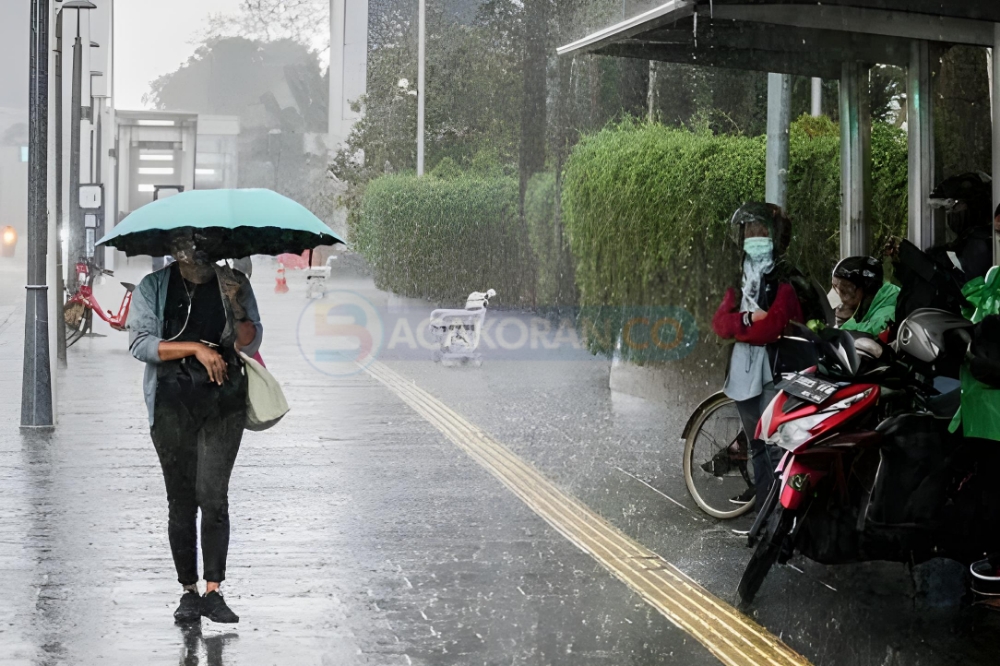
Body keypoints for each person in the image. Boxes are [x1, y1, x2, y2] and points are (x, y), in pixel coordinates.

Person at [128, 232, 262, 624]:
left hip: (223, 404)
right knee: (182, 499)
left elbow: (249, 345)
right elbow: (140, 343)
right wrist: (195, 348)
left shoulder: (234, 283)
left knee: (213, 495)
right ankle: (187, 590)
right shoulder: (154, 287)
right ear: (174, 250)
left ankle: (214, 590)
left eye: (204, 245)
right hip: (171, 405)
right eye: (187, 245)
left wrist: (238, 306)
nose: (195, 253)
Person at [712, 203, 811, 508]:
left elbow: (773, 327)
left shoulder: (786, 277)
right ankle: (763, 511)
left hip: (775, 368)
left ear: (776, 235)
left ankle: (781, 512)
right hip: (743, 369)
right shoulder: (739, 272)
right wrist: (748, 319)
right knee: (755, 445)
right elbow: (719, 322)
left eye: (761, 230)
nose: (753, 235)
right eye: (749, 230)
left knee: (775, 446)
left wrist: (741, 324)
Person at [890, 172, 995, 325]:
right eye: (947, 210)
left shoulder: (981, 245)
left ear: (975, 204)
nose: (950, 215)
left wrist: (921, 263)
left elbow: (969, 297)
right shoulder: (965, 242)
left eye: (955, 207)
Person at [832, 256, 899, 336]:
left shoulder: (888, 312)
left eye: (844, 291)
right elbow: (851, 326)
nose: (840, 298)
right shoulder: (867, 305)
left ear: (864, 289)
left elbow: (866, 334)